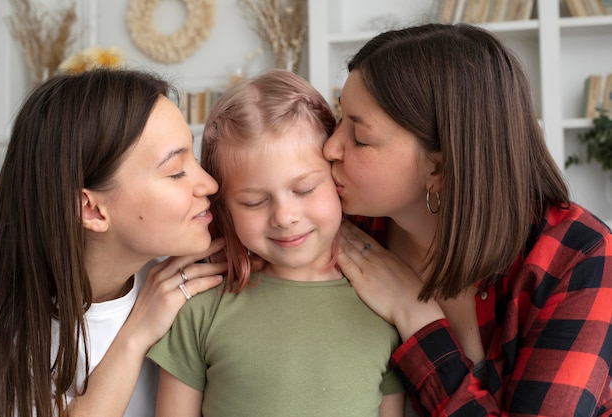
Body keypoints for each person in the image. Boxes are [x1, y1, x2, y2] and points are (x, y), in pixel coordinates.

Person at [323, 22, 612, 416]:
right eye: (339, 120)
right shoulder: (350, 222)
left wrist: (414, 314)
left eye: (359, 137)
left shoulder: (576, 256)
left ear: (439, 169)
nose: (329, 147)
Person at [147, 69, 405, 417]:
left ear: (337, 178)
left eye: (304, 189)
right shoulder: (200, 311)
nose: (284, 217)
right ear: (225, 208)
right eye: (254, 202)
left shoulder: (384, 306)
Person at [0, 69, 227, 417]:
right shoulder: (6, 331)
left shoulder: (192, 275)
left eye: (195, 157)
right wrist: (136, 335)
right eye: (176, 171)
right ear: (92, 210)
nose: (209, 184)